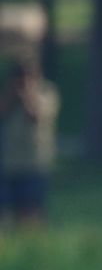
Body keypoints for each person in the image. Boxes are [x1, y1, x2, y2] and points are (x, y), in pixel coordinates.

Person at [0, 59, 59, 226]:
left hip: (35, 162)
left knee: (32, 209)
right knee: (8, 210)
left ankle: (33, 241)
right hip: (9, 162)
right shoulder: (7, 94)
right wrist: (12, 95)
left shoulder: (47, 92)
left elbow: (36, 115)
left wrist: (27, 95)